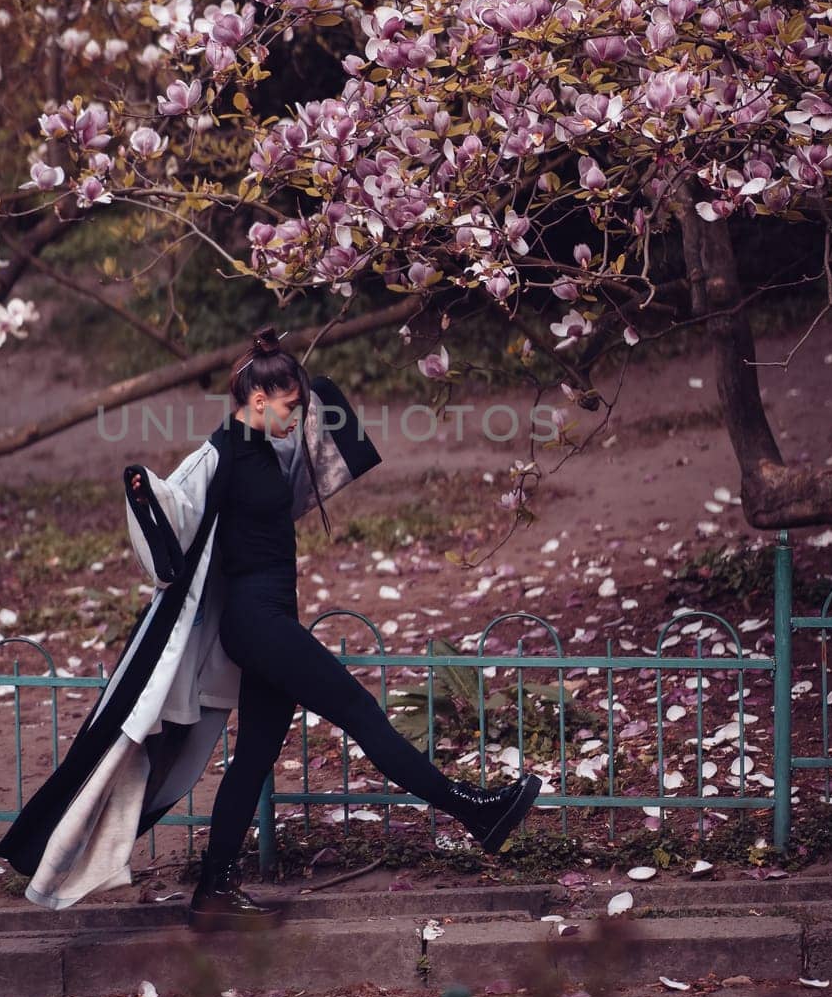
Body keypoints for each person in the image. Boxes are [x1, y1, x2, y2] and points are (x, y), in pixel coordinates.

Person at [128, 324, 541, 932]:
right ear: (258, 402)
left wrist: (294, 373)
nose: (298, 417)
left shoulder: (270, 446)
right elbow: (175, 510)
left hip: (270, 620)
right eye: (288, 407)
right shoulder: (220, 456)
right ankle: (475, 810)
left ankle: (213, 889)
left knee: (255, 757)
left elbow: (333, 427)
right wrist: (141, 490)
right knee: (360, 711)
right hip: (256, 624)